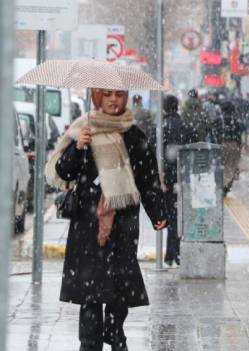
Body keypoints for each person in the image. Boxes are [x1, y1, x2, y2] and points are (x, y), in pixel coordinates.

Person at [45, 89, 167, 351]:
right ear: (97, 99)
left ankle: (115, 334)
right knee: (90, 294)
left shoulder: (134, 134)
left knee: (118, 288)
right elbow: (64, 172)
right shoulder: (84, 129)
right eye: (107, 95)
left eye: (119, 95)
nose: (114, 100)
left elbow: (147, 179)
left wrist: (158, 212)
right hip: (88, 223)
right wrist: (78, 147)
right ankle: (89, 343)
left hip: (123, 223)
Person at [153, 95, 196, 267]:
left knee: (169, 215)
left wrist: (159, 174)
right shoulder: (186, 126)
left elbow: (155, 152)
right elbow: (192, 150)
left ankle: (171, 253)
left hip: (165, 178)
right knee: (180, 215)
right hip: (183, 177)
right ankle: (175, 252)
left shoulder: (161, 128)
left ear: (164, 108)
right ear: (177, 107)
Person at [220, 101, 247, 195]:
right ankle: (227, 184)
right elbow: (243, 131)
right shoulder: (236, 120)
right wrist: (243, 144)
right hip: (235, 145)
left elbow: (213, 132)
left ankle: (223, 184)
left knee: (223, 165)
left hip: (221, 145)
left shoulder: (219, 120)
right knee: (233, 166)